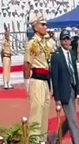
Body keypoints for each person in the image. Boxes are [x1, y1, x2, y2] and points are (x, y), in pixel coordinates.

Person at [24, 12, 55, 140]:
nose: (45, 27)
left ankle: (42, 140)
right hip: (36, 81)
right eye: (42, 24)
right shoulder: (32, 44)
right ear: (35, 27)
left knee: (44, 113)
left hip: (45, 81)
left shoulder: (44, 43)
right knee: (36, 114)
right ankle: (34, 141)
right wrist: (27, 83)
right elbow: (27, 65)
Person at [50, 30, 79, 144]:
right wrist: (57, 98)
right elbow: (55, 79)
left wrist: (77, 91)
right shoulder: (56, 57)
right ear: (60, 41)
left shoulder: (71, 54)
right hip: (64, 92)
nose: (66, 41)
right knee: (73, 120)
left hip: (72, 90)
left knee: (69, 120)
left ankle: (55, 139)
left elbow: (75, 74)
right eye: (64, 39)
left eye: (68, 39)